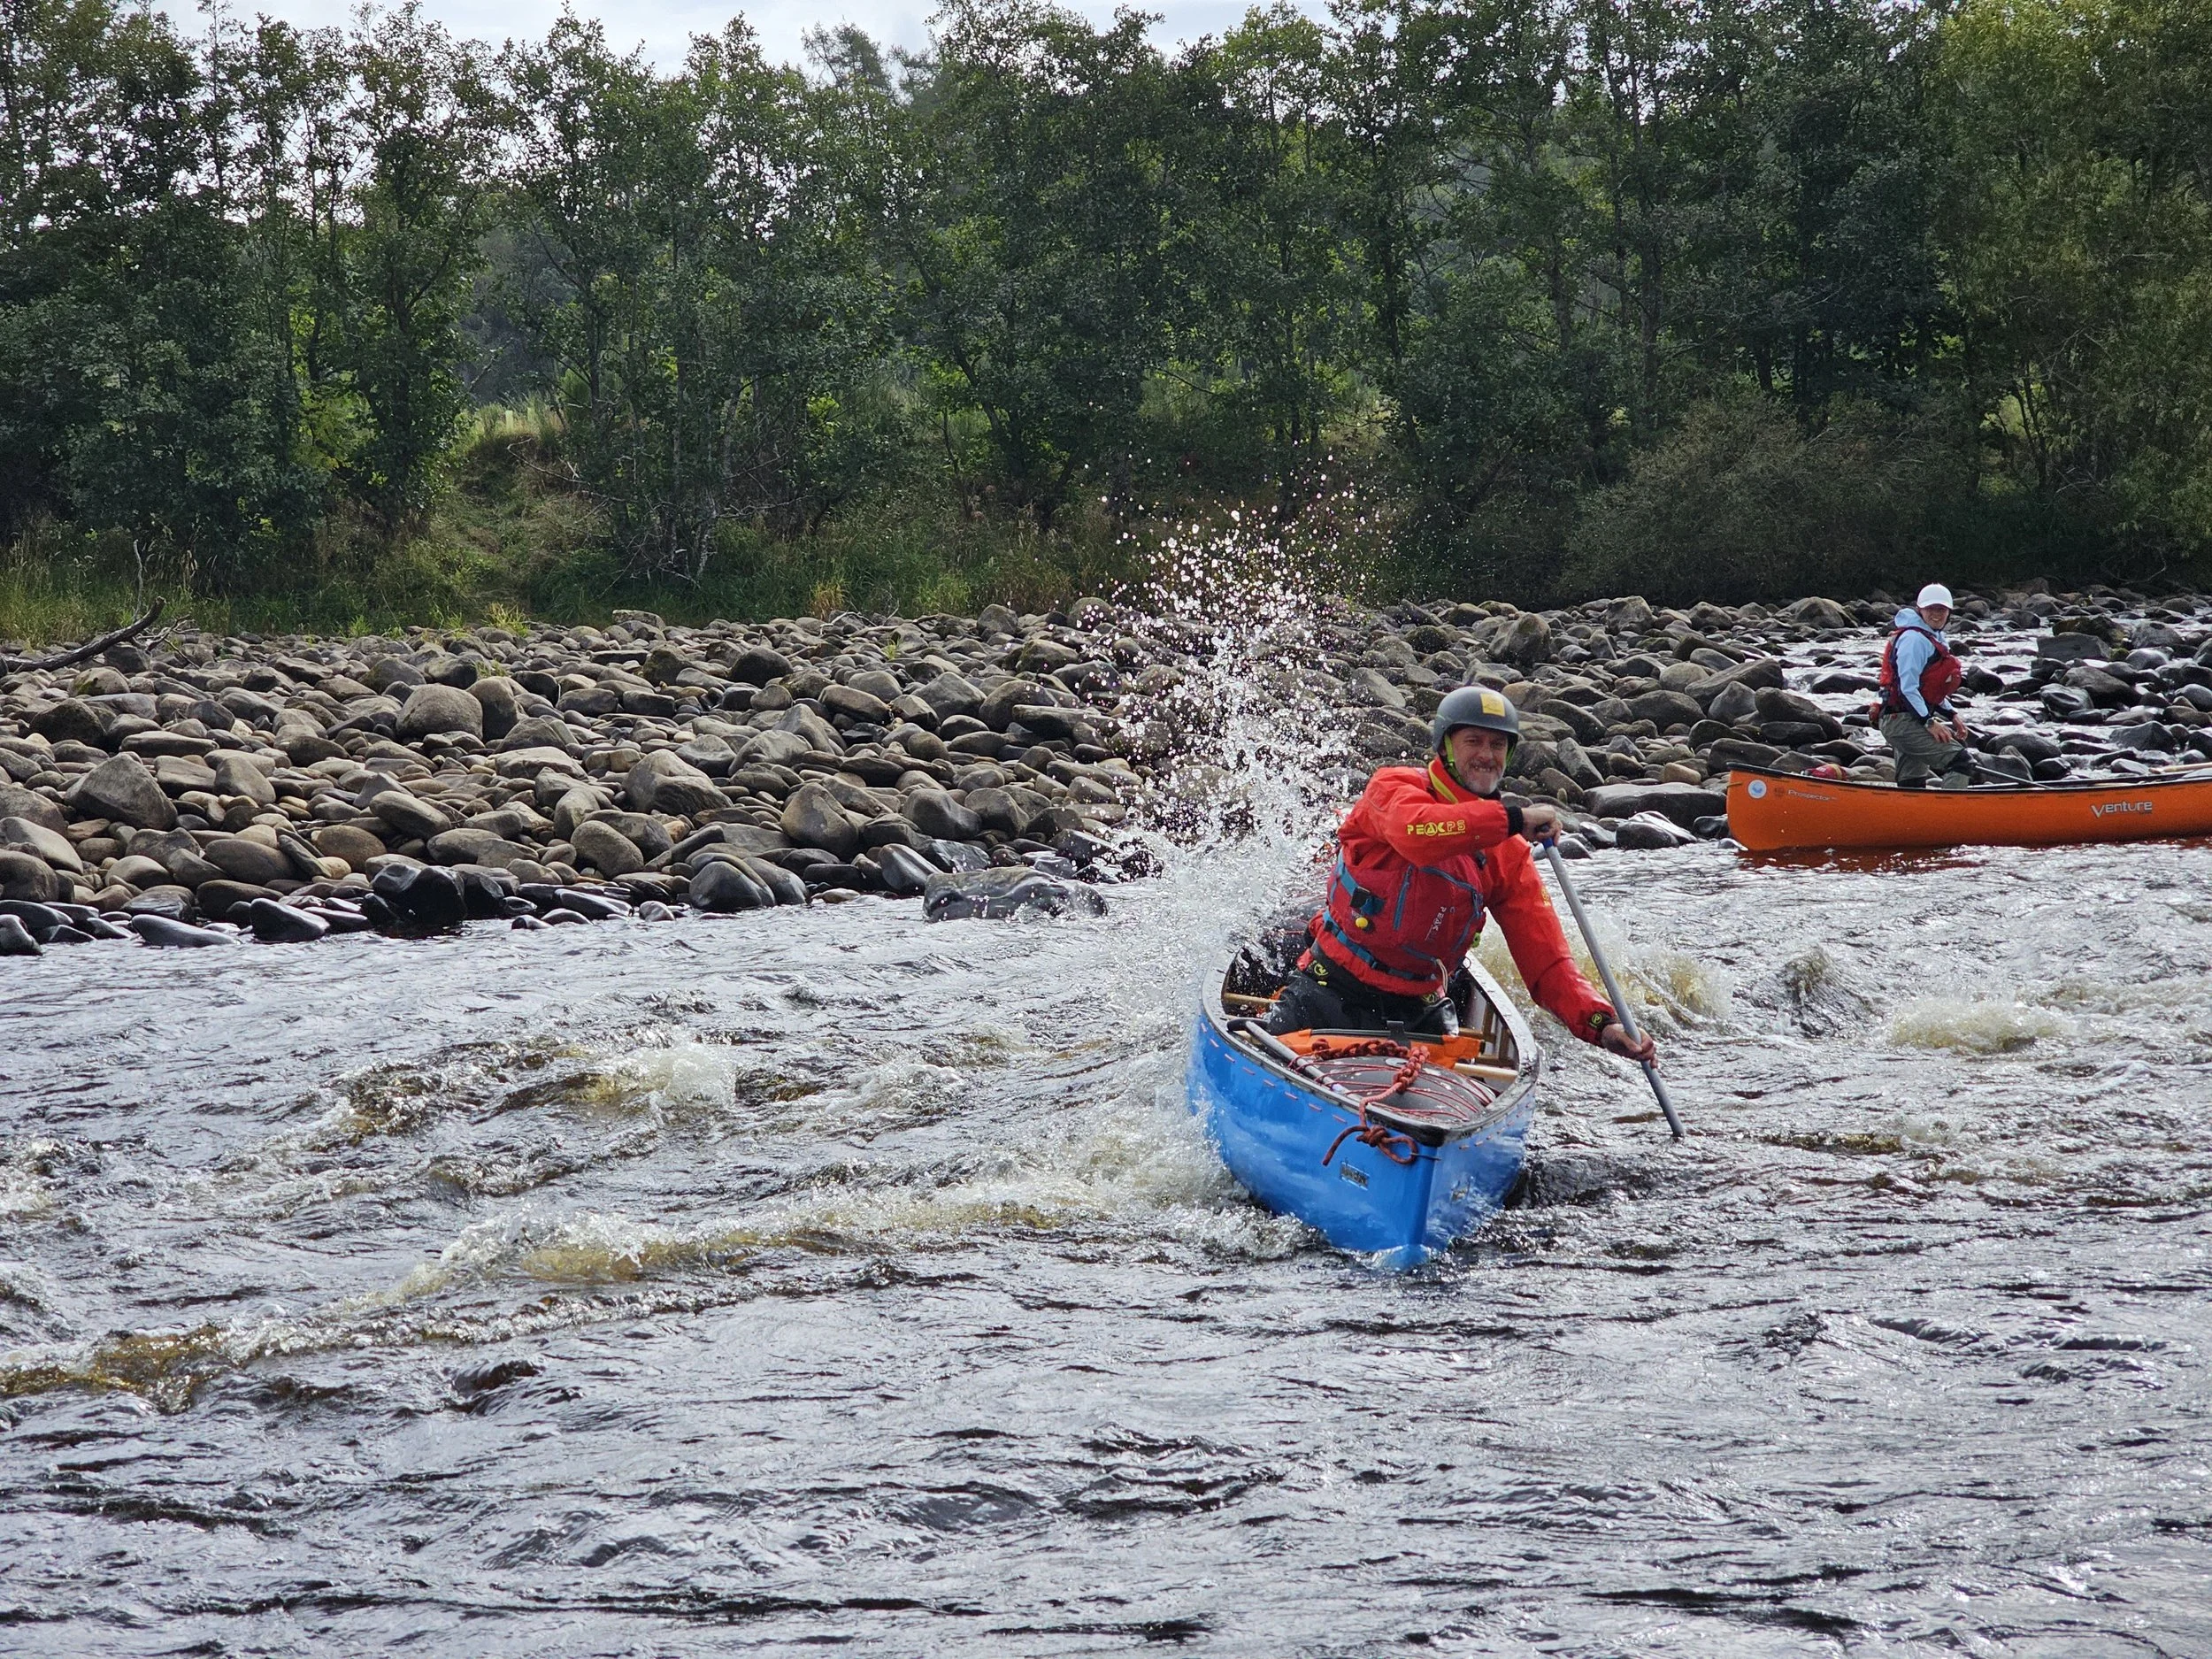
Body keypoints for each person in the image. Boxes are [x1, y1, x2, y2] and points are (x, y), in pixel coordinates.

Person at [1265, 686, 1659, 1067]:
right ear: (1445, 747)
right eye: (1474, 741)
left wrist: (1601, 1024)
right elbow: (1416, 833)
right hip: (1330, 989)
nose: (1487, 756)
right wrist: (1514, 818)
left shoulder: (1507, 851)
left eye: (1498, 745)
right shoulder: (1393, 788)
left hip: (1420, 1011)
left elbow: (1547, 964)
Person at [1877, 583, 1973, 790]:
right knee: (1961, 761)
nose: (1936, 615)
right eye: (1931, 609)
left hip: (1908, 718)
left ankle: (1911, 818)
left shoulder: (1931, 637)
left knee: (1912, 784)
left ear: (1948, 612)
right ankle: (1950, 816)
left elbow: (1928, 688)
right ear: (1920, 610)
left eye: (1941, 610)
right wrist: (1929, 723)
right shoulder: (1914, 640)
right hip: (1902, 722)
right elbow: (1907, 688)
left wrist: (1952, 715)